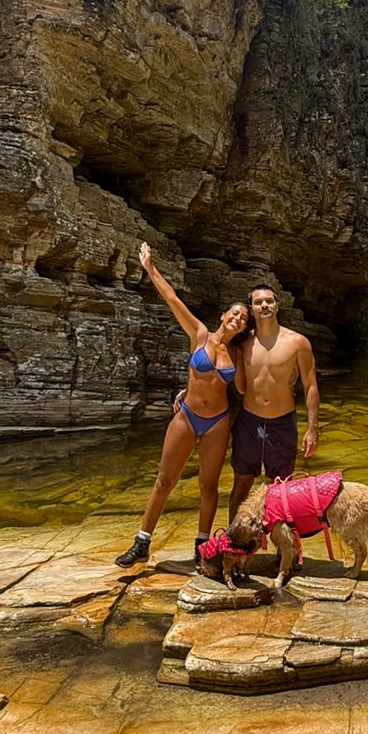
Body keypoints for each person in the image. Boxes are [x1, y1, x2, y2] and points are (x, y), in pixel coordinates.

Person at [116, 242, 253, 569]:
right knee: (165, 480)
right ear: (223, 316)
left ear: (244, 328)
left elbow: (244, 389)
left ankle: (202, 546)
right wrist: (150, 268)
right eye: (234, 313)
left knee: (208, 487)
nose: (237, 318)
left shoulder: (238, 354)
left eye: (243, 318)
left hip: (218, 421)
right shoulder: (200, 334)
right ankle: (142, 542)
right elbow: (172, 299)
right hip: (188, 416)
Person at [227, 283, 319, 524]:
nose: (264, 305)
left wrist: (312, 429)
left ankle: (284, 542)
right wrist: (188, 390)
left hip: (282, 423)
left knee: (282, 488)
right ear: (251, 309)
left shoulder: (298, 342)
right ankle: (235, 539)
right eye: (258, 302)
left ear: (277, 306)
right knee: (241, 484)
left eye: (269, 301)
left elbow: (310, 385)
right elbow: (225, 372)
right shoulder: (242, 344)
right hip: (249, 422)